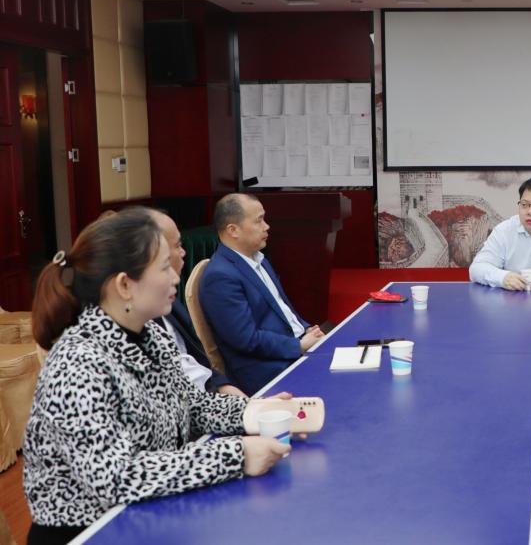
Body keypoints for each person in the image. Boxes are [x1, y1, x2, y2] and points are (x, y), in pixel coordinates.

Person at [24, 210, 290, 545]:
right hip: (89, 531)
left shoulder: (151, 335)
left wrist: (253, 412)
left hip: (154, 513)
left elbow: (192, 406)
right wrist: (237, 455)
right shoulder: (77, 364)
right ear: (125, 285)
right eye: (164, 268)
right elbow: (116, 477)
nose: (175, 276)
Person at [200, 194, 324, 395]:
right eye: (258, 221)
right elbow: (245, 339)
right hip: (269, 369)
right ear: (233, 230)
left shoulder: (259, 260)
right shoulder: (220, 277)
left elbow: (282, 309)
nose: (266, 226)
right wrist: (298, 345)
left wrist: (306, 328)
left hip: (294, 348)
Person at [128, 206, 245, 397]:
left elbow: (198, 365)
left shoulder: (167, 303)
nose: (175, 279)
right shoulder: (96, 358)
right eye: (163, 267)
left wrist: (236, 399)